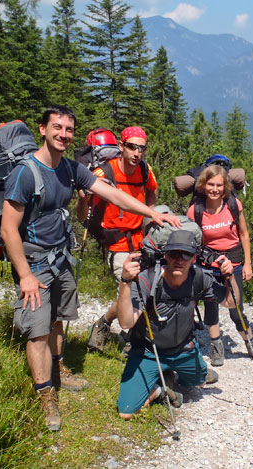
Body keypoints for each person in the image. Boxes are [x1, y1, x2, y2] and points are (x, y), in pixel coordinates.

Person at [1, 105, 179, 431]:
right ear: (42, 129)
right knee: (38, 331)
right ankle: (46, 396)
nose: (63, 135)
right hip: (35, 263)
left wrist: (152, 214)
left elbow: (113, 194)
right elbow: (8, 229)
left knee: (57, 320)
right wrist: (25, 275)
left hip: (61, 257)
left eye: (69, 130)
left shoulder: (69, 168)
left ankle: (58, 370)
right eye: (57, 128)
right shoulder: (25, 173)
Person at [115, 230, 238, 419]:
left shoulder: (199, 278)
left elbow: (231, 302)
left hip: (183, 349)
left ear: (194, 257)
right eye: (174, 253)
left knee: (198, 382)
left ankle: (179, 373)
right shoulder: (148, 279)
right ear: (166, 255)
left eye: (186, 254)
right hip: (150, 353)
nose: (179, 259)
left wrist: (230, 276)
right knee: (126, 411)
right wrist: (125, 282)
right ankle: (161, 389)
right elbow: (125, 322)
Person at [76, 126, 158, 353]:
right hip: (118, 243)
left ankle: (105, 322)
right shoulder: (104, 173)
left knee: (145, 292)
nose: (136, 153)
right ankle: (134, 342)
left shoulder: (144, 170)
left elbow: (152, 191)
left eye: (141, 148)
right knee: (134, 294)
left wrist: (150, 215)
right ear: (121, 147)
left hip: (142, 240)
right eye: (131, 147)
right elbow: (83, 215)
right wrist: (83, 199)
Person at [186, 165, 253, 366]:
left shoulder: (233, 204)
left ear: (225, 187)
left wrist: (248, 264)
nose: (215, 189)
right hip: (207, 265)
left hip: (234, 263)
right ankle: (216, 346)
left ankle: (250, 343)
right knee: (211, 307)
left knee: (236, 308)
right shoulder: (195, 210)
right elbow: (191, 241)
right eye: (211, 185)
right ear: (203, 185)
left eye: (219, 185)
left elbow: (244, 234)